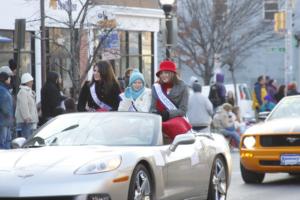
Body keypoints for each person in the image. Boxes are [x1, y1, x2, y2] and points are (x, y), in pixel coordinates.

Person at [150, 60, 191, 140]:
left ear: (172, 73)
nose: (163, 75)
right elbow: (152, 108)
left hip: (176, 122)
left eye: (166, 72)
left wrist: (167, 114)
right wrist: (157, 114)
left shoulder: (183, 87)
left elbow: (183, 110)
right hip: (158, 122)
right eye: (161, 73)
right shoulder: (156, 87)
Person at [15, 73, 39, 139]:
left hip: (29, 121)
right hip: (26, 121)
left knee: (30, 138)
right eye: (31, 81)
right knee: (26, 139)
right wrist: (26, 117)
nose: (32, 83)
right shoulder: (23, 92)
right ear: (27, 82)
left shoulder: (28, 91)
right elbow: (23, 105)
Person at [0, 71, 14, 149]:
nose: (10, 80)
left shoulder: (4, 89)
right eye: (9, 78)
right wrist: (9, 115)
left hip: (6, 121)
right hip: (3, 121)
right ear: (5, 79)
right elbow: (4, 106)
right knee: (3, 142)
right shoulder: (2, 90)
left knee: (6, 141)